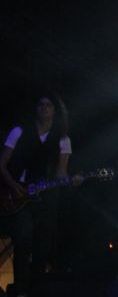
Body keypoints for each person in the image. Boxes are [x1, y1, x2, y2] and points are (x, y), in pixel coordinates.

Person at [0, 93, 78, 296]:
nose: (44, 108)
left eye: (48, 105)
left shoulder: (63, 140)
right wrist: (13, 185)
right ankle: (20, 290)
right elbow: (2, 164)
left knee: (43, 246)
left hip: (46, 197)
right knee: (23, 240)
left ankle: (36, 289)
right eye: (41, 105)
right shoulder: (19, 132)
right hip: (19, 194)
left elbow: (61, 174)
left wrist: (73, 180)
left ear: (55, 111)